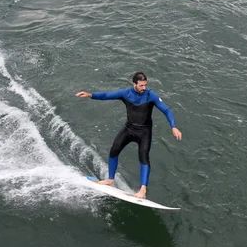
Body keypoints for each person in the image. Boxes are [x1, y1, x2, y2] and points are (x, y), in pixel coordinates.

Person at [76, 71, 182, 199]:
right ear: (134, 84)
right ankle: (110, 179)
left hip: (144, 132)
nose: (144, 88)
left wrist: (173, 126)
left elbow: (166, 110)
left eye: (145, 85)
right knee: (114, 150)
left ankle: (142, 190)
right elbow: (107, 95)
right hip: (129, 129)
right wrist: (90, 95)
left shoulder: (151, 95)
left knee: (143, 157)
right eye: (141, 85)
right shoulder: (125, 94)